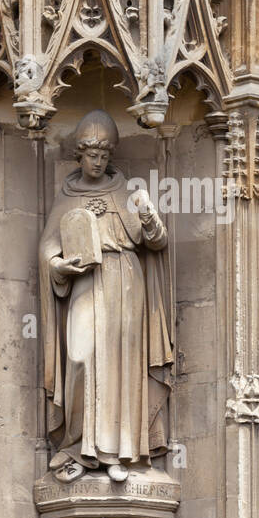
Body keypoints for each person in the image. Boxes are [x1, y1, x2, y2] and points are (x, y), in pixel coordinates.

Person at [38, 110, 173, 482]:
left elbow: (157, 242)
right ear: (80, 154)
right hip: (84, 282)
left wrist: (148, 214)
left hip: (125, 283)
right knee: (80, 357)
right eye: (91, 155)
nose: (97, 162)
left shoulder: (126, 191)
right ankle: (81, 446)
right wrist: (57, 266)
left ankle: (120, 452)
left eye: (103, 156)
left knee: (122, 364)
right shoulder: (67, 195)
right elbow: (48, 248)